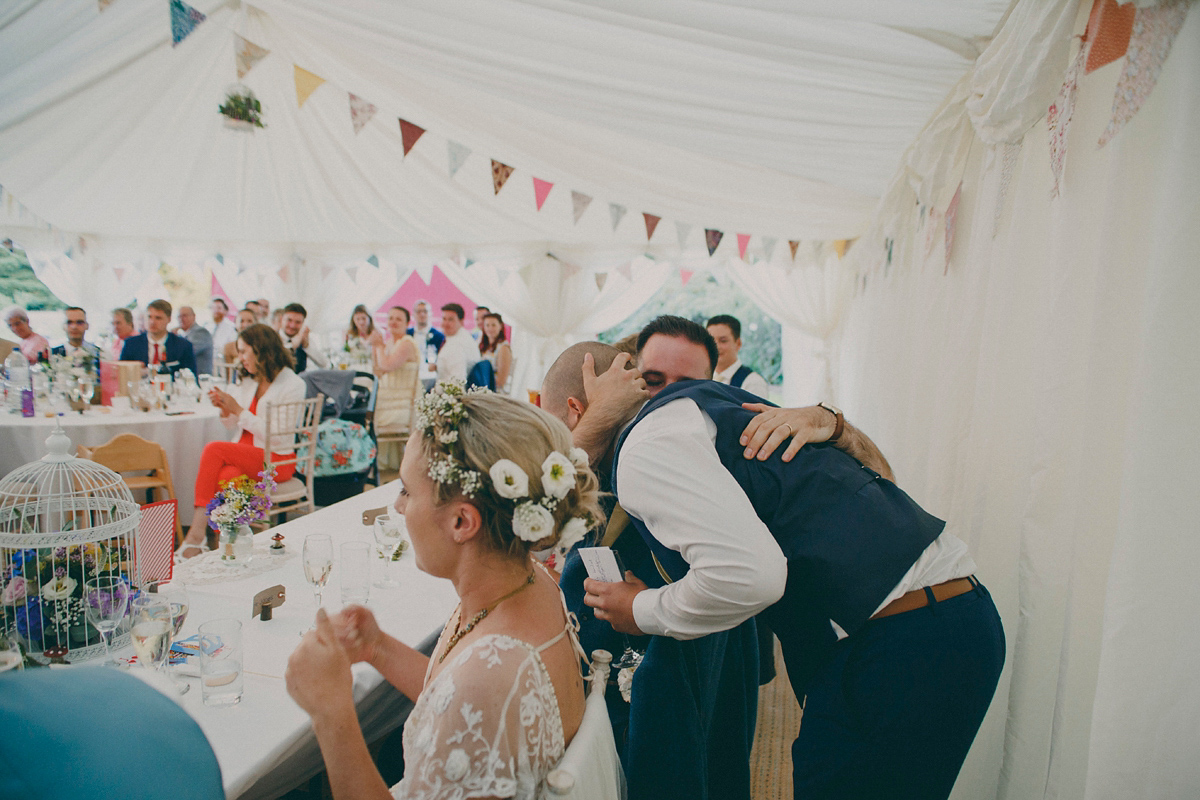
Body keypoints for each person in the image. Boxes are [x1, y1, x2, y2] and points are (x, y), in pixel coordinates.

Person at [570, 316, 1004, 800]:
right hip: (946, 620)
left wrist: (640, 610)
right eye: (652, 382)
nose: (667, 394)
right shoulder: (713, 418)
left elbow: (753, 577)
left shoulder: (654, 439)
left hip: (899, 644)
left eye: (687, 383)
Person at [286, 386, 599, 799]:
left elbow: (476, 693)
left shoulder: (491, 674)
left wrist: (330, 712)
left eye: (407, 491)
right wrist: (378, 648)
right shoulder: (530, 582)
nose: (398, 508)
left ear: (461, 522)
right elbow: (460, 705)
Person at [177, 323, 306, 558]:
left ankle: (196, 535)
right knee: (227, 476)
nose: (240, 358)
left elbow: (277, 438)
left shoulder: (293, 384)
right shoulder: (249, 380)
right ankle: (223, 546)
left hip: (277, 461)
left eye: (244, 351)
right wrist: (226, 410)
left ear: (261, 350)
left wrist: (238, 409)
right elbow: (233, 426)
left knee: (213, 449)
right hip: (247, 455)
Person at [370, 306, 419, 470]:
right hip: (390, 400)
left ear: (407, 323)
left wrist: (378, 346)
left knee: (364, 412)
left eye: (398, 319)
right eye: (390, 318)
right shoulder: (391, 343)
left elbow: (387, 365)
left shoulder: (406, 343)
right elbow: (377, 371)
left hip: (401, 405)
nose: (393, 322)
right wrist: (376, 347)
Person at [119, 299, 197, 377]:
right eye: (149, 317)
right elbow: (121, 374)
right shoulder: (131, 344)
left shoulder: (183, 346)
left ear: (169, 319)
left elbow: (191, 378)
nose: (152, 322)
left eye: (158, 318)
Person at [705, 314, 770, 399]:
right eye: (711, 341)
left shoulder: (753, 383)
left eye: (723, 341)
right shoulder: (702, 379)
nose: (716, 346)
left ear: (738, 343)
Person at [432, 303, 477, 385]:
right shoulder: (463, 337)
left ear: (461, 322)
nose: (445, 324)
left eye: (450, 320)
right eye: (444, 319)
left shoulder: (456, 345)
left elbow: (457, 381)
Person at [279, 303, 327, 373]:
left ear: (303, 323)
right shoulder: (272, 337)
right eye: (289, 320)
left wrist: (306, 346)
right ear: (282, 319)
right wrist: (293, 345)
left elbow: (323, 364)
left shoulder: (305, 339)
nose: (292, 326)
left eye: (298, 322)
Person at [407, 299, 444, 389]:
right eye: (419, 311)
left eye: (425, 311)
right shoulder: (407, 334)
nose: (422, 314)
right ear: (413, 314)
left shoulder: (439, 336)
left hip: (431, 378)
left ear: (430, 314)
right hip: (410, 375)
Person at [478, 312, 513, 393]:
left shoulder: (503, 348)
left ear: (500, 326)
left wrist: (482, 388)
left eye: (493, 325)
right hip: (482, 388)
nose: (490, 328)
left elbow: (501, 380)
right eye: (487, 325)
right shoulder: (484, 346)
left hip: (495, 391)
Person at [175, 306, 213, 375]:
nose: (181, 319)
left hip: (200, 379)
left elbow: (186, 353)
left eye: (185, 316)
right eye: (179, 316)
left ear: (194, 316)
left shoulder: (201, 332)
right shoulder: (182, 335)